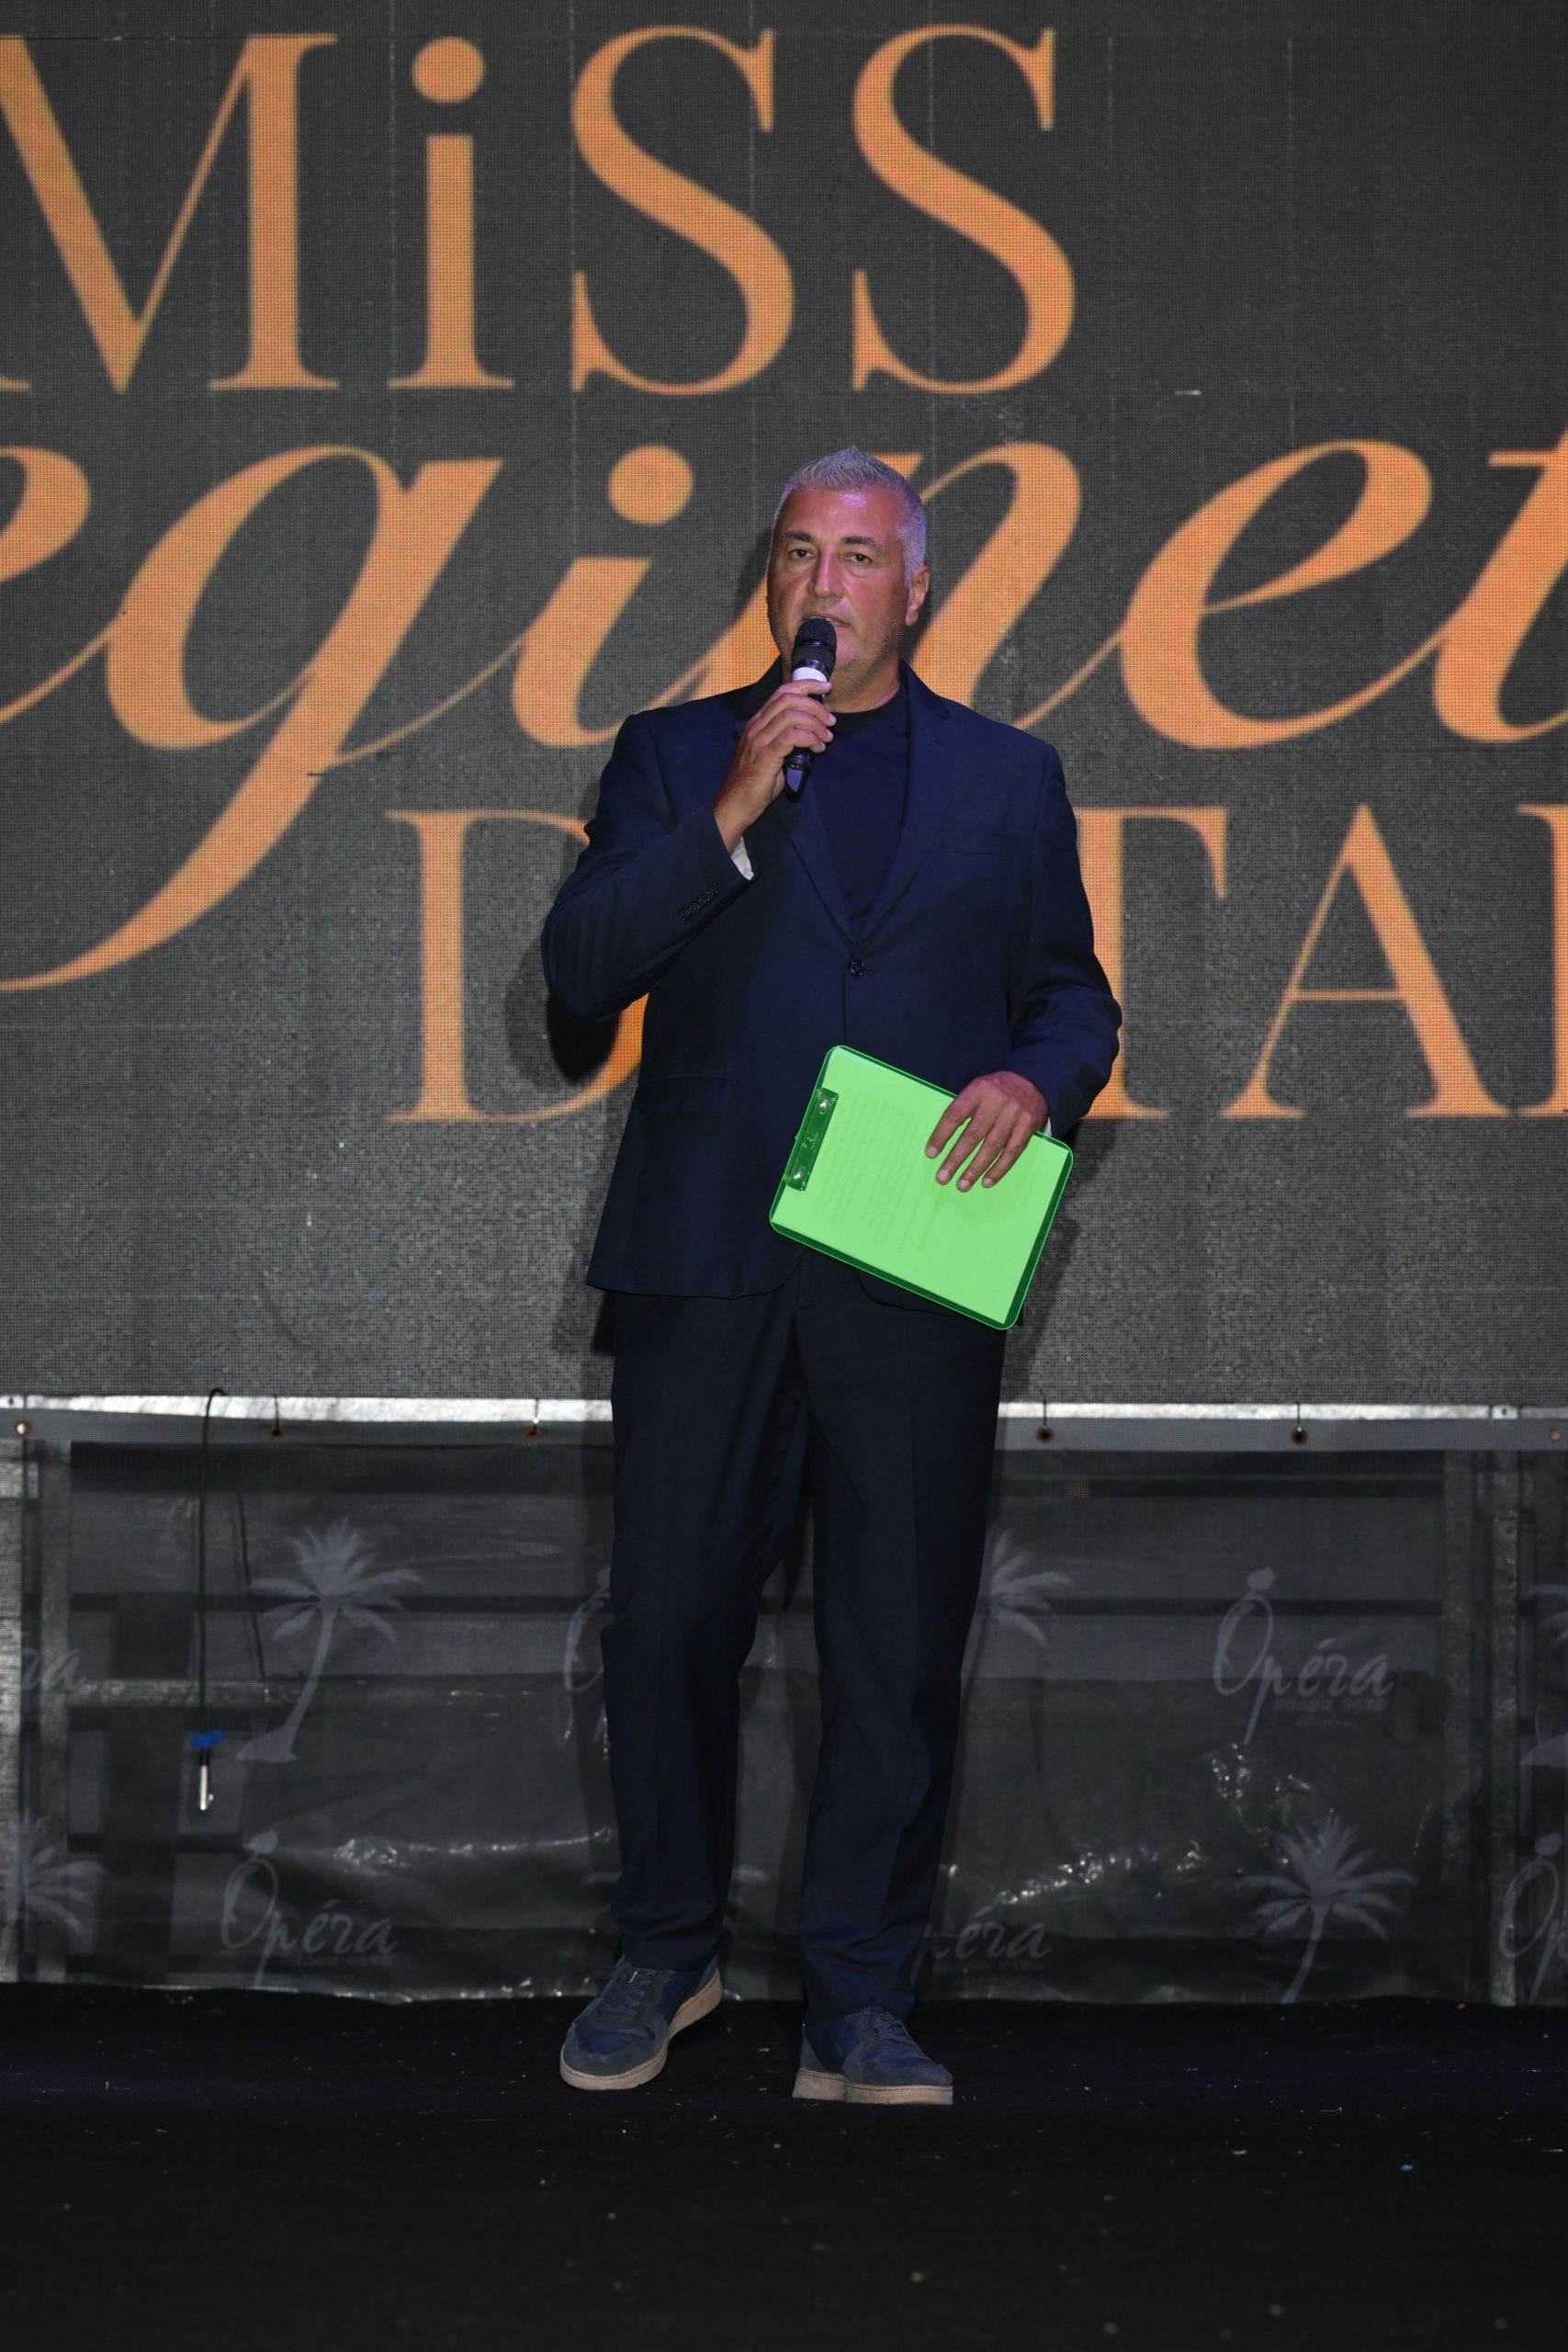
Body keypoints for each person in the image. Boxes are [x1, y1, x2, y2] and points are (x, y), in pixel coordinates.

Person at [540, 447, 1121, 2106]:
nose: (824, 582)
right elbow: (581, 975)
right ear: (771, 582)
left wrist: (1033, 1082)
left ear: (915, 590)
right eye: (799, 553)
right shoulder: (676, 753)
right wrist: (728, 814)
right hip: (710, 1253)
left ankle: (861, 1998)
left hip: (909, 1248)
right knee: (667, 1618)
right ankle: (668, 1954)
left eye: (859, 556)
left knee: (895, 1634)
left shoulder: (1009, 777)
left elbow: (1074, 1000)